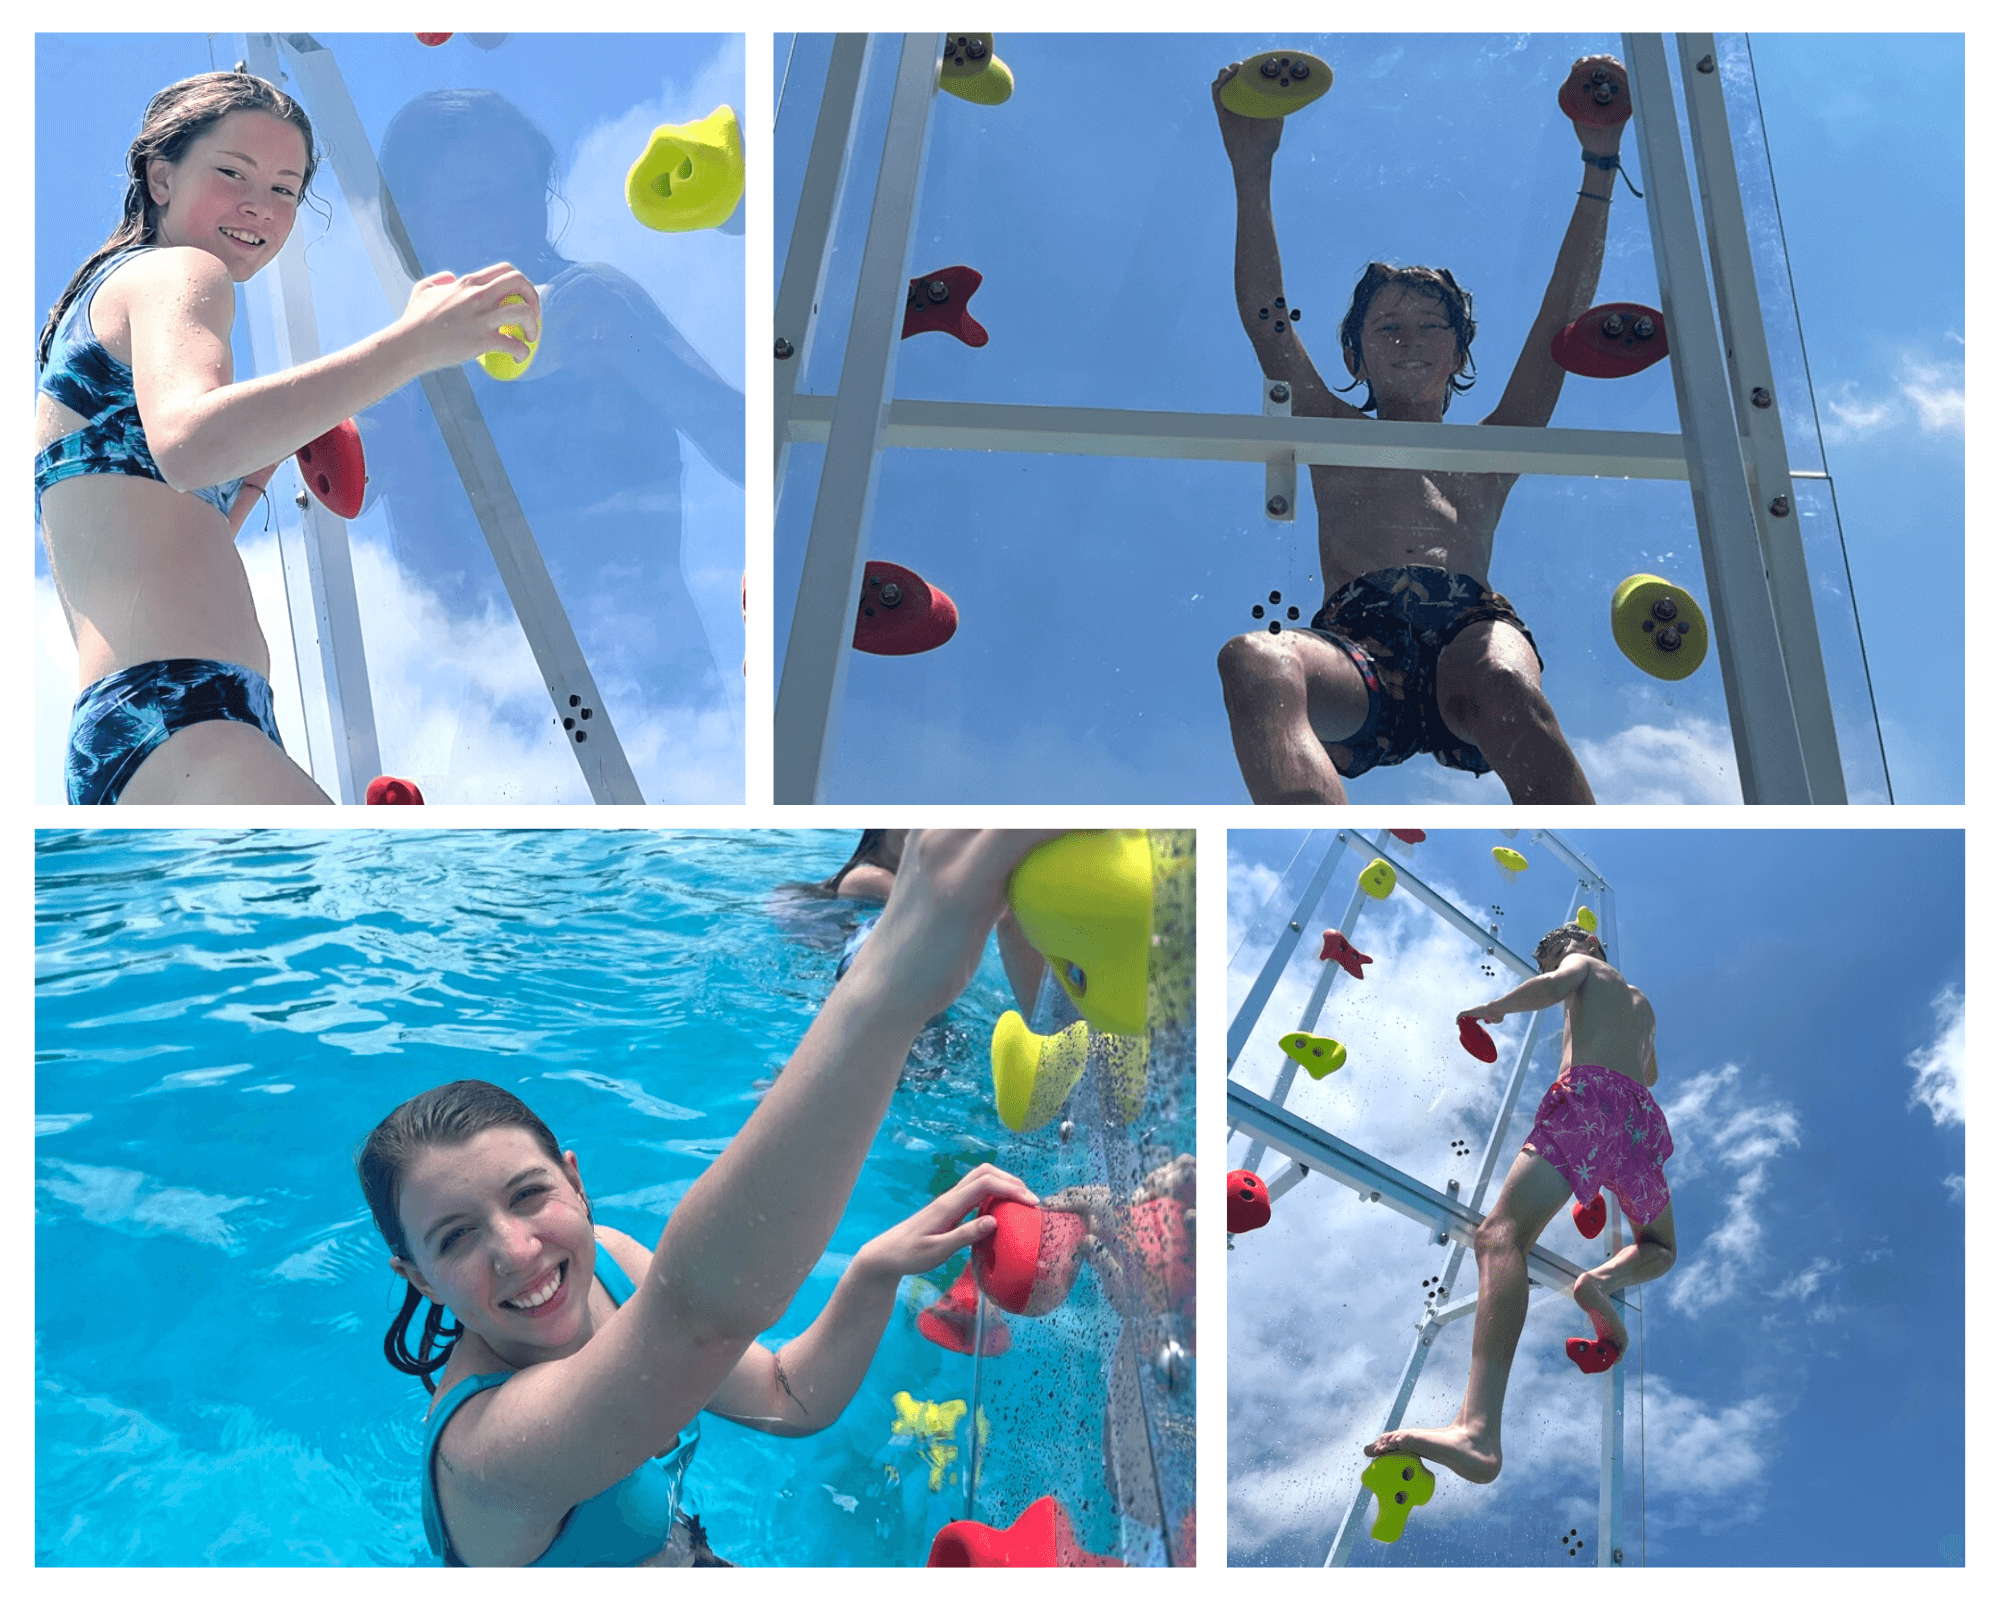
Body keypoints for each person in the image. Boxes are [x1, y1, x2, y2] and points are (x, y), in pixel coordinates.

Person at [355, 830, 1062, 1566]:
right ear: (417, 1277)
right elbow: (694, 1320)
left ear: (575, 1179)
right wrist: (891, 981)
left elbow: (789, 1397)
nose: (515, 1250)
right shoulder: (484, 1453)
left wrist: (875, 1271)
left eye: (528, 1195)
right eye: (455, 1238)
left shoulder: (609, 1269)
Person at [36, 71, 544, 805]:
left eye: (285, 188)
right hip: (187, 718)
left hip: (138, 734)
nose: (260, 205)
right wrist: (416, 342)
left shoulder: (91, 316)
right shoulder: (181, 272)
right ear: (160, 177)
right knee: (384, 916)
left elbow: (154, 519)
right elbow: (190, 444)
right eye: (232, 172)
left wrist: (250, 473)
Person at [1211, 54, 1630, 804]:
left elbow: (1558, 324)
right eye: (1389, 326)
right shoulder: (1330, 426)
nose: (1410, 338)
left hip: (1468, 632)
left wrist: (1600, 161)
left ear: (1460, 353)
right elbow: (1265, 316)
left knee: (1503, 683)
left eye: (1432, 325)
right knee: (1253, 658)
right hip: (1357, 642)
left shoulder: (1490, 449)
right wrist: (1252, 166)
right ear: (1355, 352)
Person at [1364, 922, 1677, 1484]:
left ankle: (1478, 1430)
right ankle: (1599, 1284)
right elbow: (1649, 1071)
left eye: (1557, 953)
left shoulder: (1587, 968)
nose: (1556, 964)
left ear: (1586, 945)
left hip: (1590, 1102)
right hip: (1639, 1125)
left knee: (1500, 1236)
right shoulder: (1643, 1003)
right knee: (1660, 1247)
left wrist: (1496, 1007)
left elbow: (1555, 987)